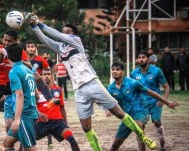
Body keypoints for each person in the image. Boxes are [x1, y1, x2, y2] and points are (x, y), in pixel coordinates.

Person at [26, 13, 158, 151]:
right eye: (63, 31)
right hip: (79, 90)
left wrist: (40, 23)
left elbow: (58, 36)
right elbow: (46, 40)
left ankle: (143, 137)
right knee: (86, 127)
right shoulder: (61, 48)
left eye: (67, 32)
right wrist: (34, 26)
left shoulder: (76, 41)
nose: (64, 34)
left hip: (92, 83)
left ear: (74, 34)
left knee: (119, 113)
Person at [108, 62, 179, 151]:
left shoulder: (133, 83)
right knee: (115, 145)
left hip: (141, 110)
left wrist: (167, 103)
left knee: (138, 126)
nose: (114, 71)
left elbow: (151, 93)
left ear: (123, 72)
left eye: (117, 69)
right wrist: (109, 110)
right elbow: (112, 102)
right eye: (113, 69)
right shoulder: (111, 88)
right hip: (126, 116)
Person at [131, 51, 171, 151]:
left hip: (155, 102)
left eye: (143, 57)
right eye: (139, 57)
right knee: (140, 126)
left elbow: (166, 87)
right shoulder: (133, 73)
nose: (141, 59)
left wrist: (164, 100)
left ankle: (162, 146)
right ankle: (142, 148)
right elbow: (132, 90)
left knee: (157, 121)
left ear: (148, 59)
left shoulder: (157, 71)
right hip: (141, 104)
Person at [3, 43, 38, 151]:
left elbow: (19, 95)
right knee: (7, 142)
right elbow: (36, 94)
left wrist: (17, 119)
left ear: (8, 57)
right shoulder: (27, 69)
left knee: (29, 148)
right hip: (30, 112)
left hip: (24, 116)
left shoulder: (14, 71)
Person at [35, 68, 80, 151]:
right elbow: (32, 107)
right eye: (44, 74)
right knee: (26, 141)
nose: (46, 76)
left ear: (52, 76)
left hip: (57, 122)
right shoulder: (35, 90)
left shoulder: (58, 90)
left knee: (71, 138)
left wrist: (66, 123)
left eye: (48, 74)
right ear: (41, 77)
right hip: (42, 122)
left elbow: (62, 108)